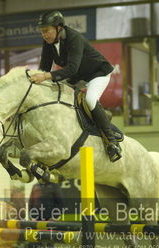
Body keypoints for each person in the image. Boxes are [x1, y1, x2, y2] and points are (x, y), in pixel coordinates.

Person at [29, 10, 122, 162]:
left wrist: (45, 77)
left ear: (58, 28)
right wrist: (33, 78)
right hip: (78, 76)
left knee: (90, 100)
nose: (44, 35)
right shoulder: (48, 43)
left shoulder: (74, 38)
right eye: (42, 32)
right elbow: (44, 68)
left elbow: (71, 68)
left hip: (97, 73)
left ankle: (111, 142)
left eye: (46, 31)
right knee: (56, 93)